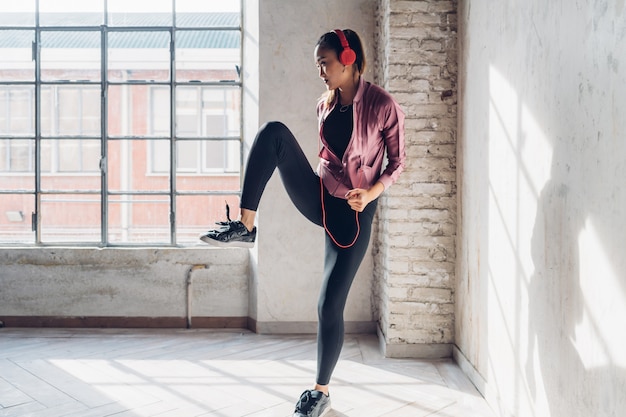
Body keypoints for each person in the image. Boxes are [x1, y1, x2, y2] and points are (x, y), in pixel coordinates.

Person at [200, 29, 405, 417]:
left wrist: (372, 192)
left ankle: (320, 392)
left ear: (348, 59)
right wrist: (322, 178)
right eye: (318, 65)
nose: (321, 72)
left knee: (329, 304)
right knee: (273, 134)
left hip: (355, 213)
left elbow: (397, 163)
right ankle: (246, 225)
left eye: (324, 63)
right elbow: (328, 155)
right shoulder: (325, 105)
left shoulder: (382, 105)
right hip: (321, 196)